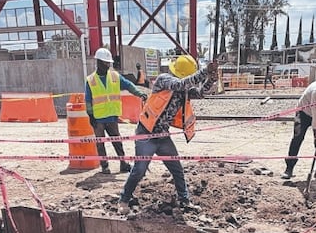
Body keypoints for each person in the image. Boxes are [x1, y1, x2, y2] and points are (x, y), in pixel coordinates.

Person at [117, 55, 217, 215]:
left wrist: (211, 79)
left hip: (162, 135)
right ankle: (123, 200)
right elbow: (180, 84)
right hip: (146, 134)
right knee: (139, 170)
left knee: (177, 169)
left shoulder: (183, 89)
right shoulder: (164, 80)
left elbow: (199, 93)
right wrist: (205, 71)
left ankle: (185, 201)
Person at [85, 47, 145, 174]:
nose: (108, 65)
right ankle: (105, 166)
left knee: (117, 141)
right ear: (98, 62)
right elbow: (88, 100)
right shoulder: (91, 80)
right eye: (105, 63)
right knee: (100, 143)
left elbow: (129, 85)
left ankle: (123, 163)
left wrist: (140, 94)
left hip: (112, 117)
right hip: (98, 118)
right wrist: (90, 116)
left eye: (108, 63)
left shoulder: (115, 76)